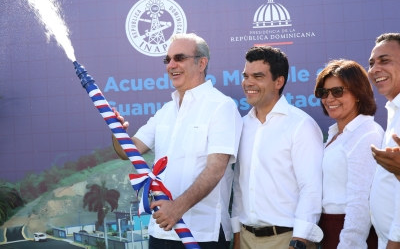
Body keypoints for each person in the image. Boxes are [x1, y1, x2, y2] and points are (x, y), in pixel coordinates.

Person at [112, 33, 243, 249]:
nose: (171, 65)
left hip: (202, 234)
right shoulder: (166, 111)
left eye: (179, 58)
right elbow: (129, 150)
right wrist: (117, 131)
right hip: (161, 232)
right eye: (168, 59)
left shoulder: (221, 107)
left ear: (201, 63)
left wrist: (177, 208)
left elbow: (216, 169)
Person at [231, 46, 323, 249]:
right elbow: (239, 187)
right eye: (246, 76)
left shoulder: (301, 125)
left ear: (278, 81)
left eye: (258, 76)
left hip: (286, 240)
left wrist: (298, 241)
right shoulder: (241, 126)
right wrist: (237, 235)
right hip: (246, 239)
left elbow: (311, 189)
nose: (249, 83)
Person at [314, 59, 383, 249]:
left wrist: (349, 244)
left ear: (358, 93)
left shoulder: (368, 133)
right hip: (328, 231)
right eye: (323, 92)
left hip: (350, 233)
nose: (329, 99)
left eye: (338, 91)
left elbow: (360, 200)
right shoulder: (337, 133)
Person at [368, 32, 400, 249]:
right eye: (371, 63)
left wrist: (395, 239)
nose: (374, 69)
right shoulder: (394, 111)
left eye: (384, 61)